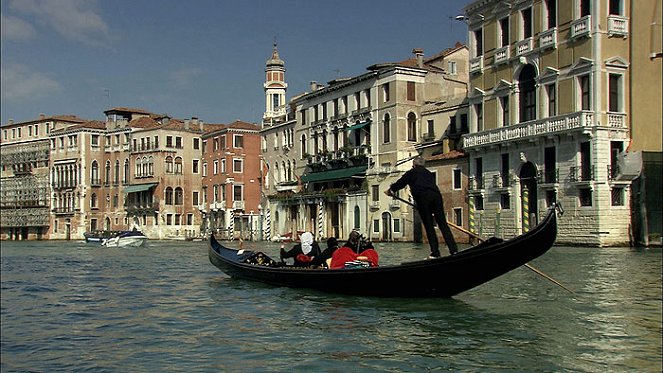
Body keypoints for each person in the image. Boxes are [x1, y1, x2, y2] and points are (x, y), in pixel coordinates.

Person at [385, 156, 458, 258]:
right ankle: (454, 250)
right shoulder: (428, 173)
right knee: (442, 224)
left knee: (429, 226)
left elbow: (401, 183)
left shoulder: (411, 172)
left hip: (423, 198)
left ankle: (435, 253)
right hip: (436, 197)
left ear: (414, 165)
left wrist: (390, 190)